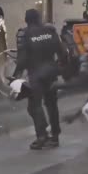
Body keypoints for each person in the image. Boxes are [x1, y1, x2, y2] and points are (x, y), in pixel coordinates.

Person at [13, 9, 67, 150]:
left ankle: (42, 136)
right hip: (51, 73)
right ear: (39, 18)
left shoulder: (25, 34)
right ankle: (55, 136)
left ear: (26, 20)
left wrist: (16, 74)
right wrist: (61, 67)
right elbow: (62, 52)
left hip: (36, 75)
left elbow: (23, 59)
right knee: (52, 105)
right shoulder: (50, 31)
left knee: (34, 106)